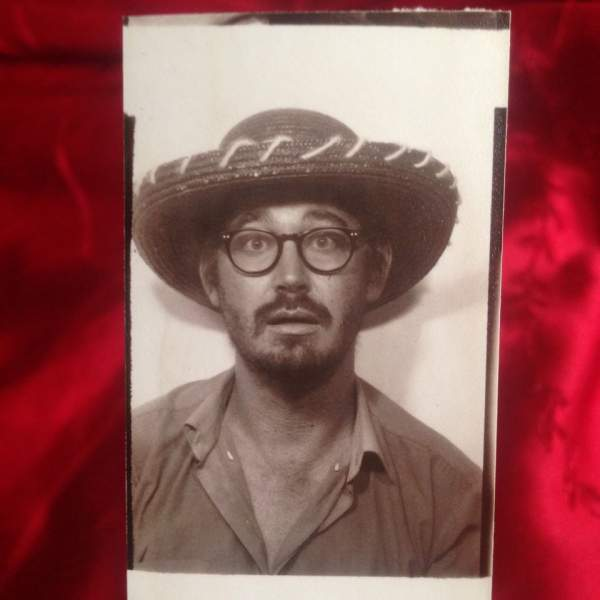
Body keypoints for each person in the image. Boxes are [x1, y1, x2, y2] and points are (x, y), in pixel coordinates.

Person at [131, 108, 482, 576]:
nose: (291, 278)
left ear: (374, 272)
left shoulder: (450, 502)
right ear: (213, 280)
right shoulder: (129, 460)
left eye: (325, 240)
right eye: (254, 242)